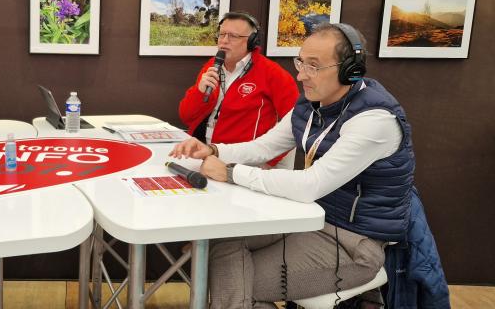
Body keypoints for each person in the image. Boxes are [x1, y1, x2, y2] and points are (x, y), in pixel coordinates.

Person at [171, 23, 417, 308]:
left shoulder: (374, 120)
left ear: (351, 70)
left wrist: (229, 172)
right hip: (307, 219)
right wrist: (213, 149)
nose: (300, 75)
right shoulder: (312, 102)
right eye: (300, 62)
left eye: (313, 66)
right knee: (218, 244)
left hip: (352, 242)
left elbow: (310, 185)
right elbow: (265, 146)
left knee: (229, 281)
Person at [178, 12, 298, 167]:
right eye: (222, 35)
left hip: (244, 162)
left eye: (233, 36)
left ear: (252, 41)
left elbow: (296, 123)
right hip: (204, 153)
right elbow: (186, 117)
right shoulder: (212, 66)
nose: (224, 41)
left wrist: (268, 162)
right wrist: (199, 92)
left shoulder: (272, 73)